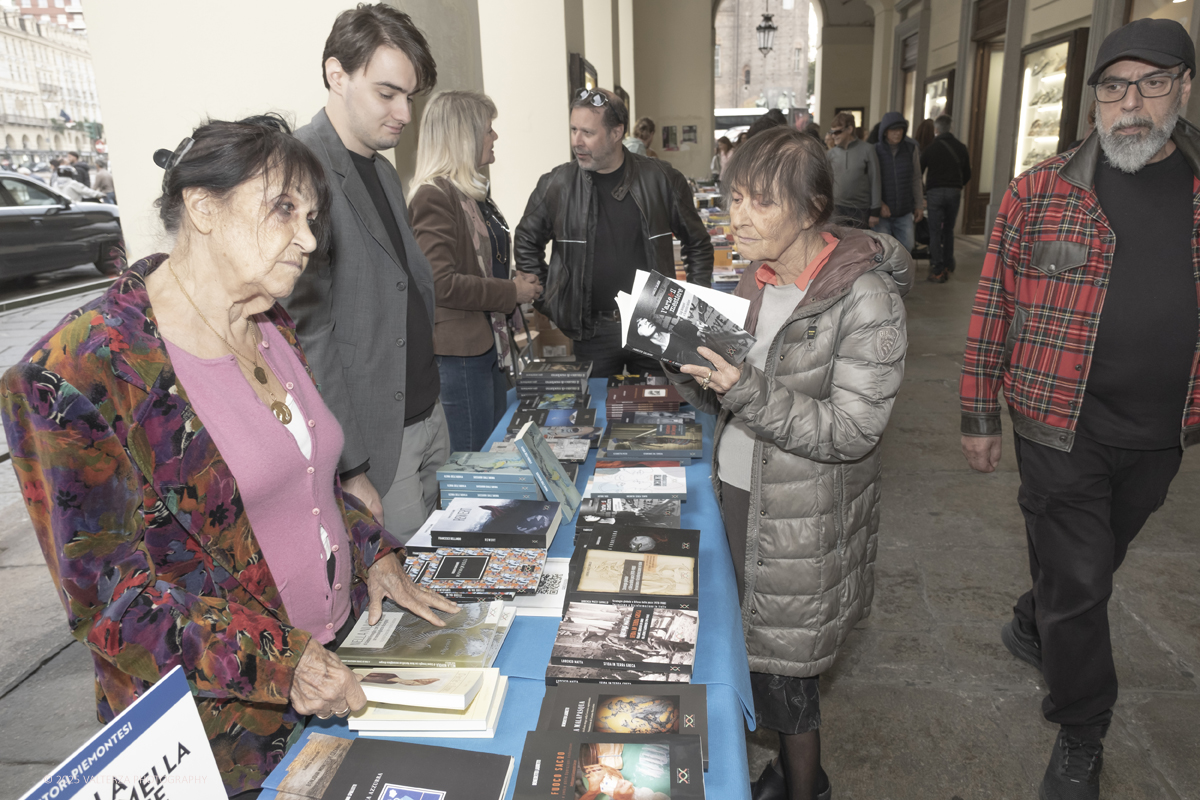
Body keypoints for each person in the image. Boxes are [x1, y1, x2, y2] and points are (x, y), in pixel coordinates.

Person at [0, 115, 457, 798]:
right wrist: (284, 660)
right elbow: (113, 605)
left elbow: (304, 484)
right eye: (283, 209)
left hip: (336, 662)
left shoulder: (268, 323)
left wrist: (372, 549)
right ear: (203, 207)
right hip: (221, 733)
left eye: (312, 216)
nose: (306, 239)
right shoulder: (78, 371)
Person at [959, 19, 1198, 800]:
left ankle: (1035, 618)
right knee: (1086, 579)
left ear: (1184, 90)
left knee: (1087, 570)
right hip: (1059, 425)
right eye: (1113, 87)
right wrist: (978, 414)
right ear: (1093, 97)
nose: (1131, 105)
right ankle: (1081, 730)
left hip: (1163, 434)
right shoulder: (1041, 191)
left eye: (1153, 84)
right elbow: (991, 303)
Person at [666, 126, 911, 800]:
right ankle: (788, 773)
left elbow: (853, 428)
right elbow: (731, 395)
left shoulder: (865, 299)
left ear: (810, 208)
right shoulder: (753, 277)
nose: (736, 218)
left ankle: (807, 787)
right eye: (732, 198)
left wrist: (741, 386)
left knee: (788, 673)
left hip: (806, 516)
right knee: (750, 650)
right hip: (740, 490)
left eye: (758, 203)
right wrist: (687, 359)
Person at [283, 4, 450, 540]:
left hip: (427, 415)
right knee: (411, 599)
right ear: (337, 74)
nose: (404, 112)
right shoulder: (300, 170)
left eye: (410, 96)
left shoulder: (382, 167)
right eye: (387, 93)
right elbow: (309, 337)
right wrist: (352, 467)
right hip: (376, 440)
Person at [514, 88, 713, 378]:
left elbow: (698, 243)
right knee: (598, 415)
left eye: (587, 132)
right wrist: (552, 301)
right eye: (573, 130)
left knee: (659, 412)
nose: (576, 141)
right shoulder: (557, 184)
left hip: (655, 325)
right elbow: (525, 242)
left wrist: (693, 306)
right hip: (592, 331)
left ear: (617, 132)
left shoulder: (661, 179)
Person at [408, 91, 543, 452]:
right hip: (460, 356)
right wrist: (511, 292)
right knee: (474, 460)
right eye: (488, 130)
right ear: (463, 137)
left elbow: (481, 262)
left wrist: (514, 281)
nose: (494, 137)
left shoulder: (472, 194)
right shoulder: (433, 196)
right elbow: (440, 282)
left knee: (493, 450)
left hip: (487, 347)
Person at [919, 114, 971, 283]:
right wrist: (957, 185)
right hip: (954, 192)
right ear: (951, 127)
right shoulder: (961, 147)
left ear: (936, 129)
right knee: (948, 230)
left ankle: (938, 269)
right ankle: (948, 264)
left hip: (935, 192)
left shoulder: (930, 148)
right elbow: (967, 173)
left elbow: (919, 171)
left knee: (934, 231)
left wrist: (923, 192)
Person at [872, 111, 925, 251]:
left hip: (904, 210)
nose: (897, 133)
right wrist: (879, 204)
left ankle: (902, 274)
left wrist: (919, 204)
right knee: (884, 249)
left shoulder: (911, 149)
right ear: (885, 132)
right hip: (883, 211)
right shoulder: (875, 151)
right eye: (893, 130)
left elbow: (916, 178)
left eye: (900, 129)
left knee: (908, 246)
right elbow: (871, 181)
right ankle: (887, 274)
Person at [826, 111, 881, 229]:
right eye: (832, 132)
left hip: (861, 209)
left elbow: (875, 180)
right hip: (836, 208)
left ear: (849, 129)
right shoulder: (830, 154)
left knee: (860, 245)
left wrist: (875, 211)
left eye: (837, 131)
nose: (833, 135)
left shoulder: (868, 150)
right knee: (838, 245)